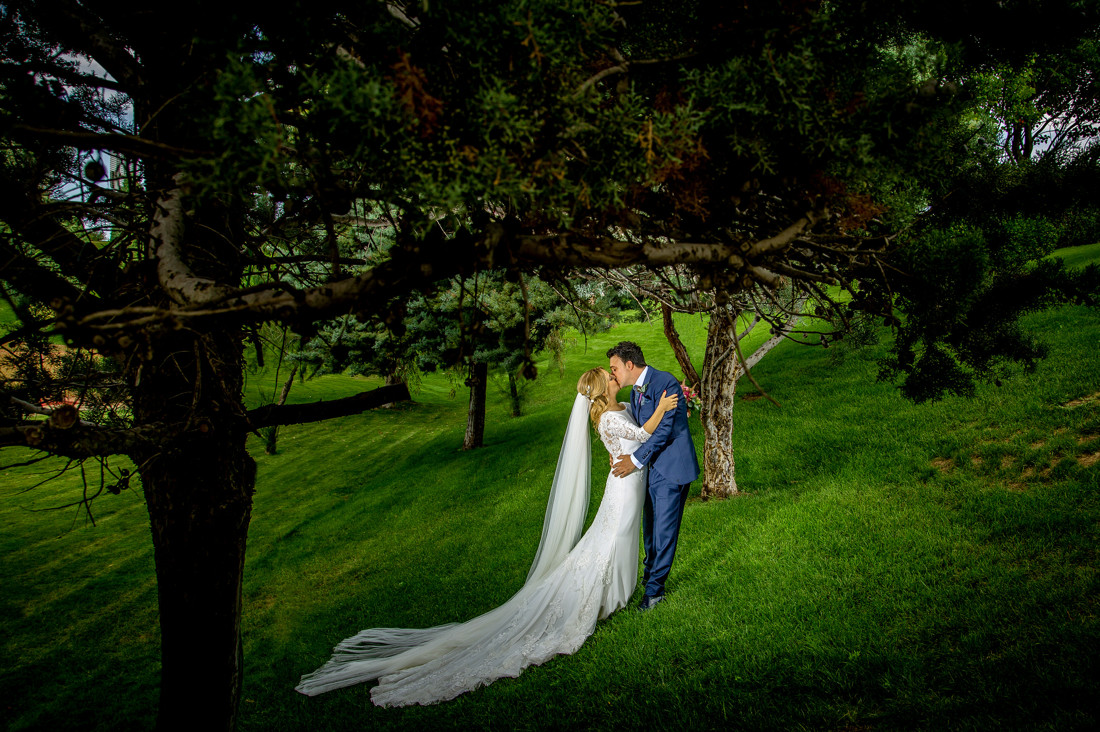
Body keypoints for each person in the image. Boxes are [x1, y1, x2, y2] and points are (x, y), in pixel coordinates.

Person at [295, 368, 678, 706]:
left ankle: (618, 592)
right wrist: (664, 406)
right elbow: (643, 433)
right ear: (602, 388)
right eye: (610, 375)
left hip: (627, 483)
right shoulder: (608, 420)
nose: (615, 376)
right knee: (608, 542)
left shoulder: (616, 408)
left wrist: (654, 403)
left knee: (611, 539)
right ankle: (600, 598)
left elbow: (637, 428)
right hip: (624, 489)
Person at [607, 341, 700, 611]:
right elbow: (637, 427)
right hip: (650, 469)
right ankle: (649, 578)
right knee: (649, 531)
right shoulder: (637, 390)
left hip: (672, 467)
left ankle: (655, 592)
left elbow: (664, 432)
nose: (613, 374)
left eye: (615, 368)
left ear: (629, 364)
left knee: (663, 532)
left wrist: (634, 461)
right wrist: (615, 449)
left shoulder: (665, 383)